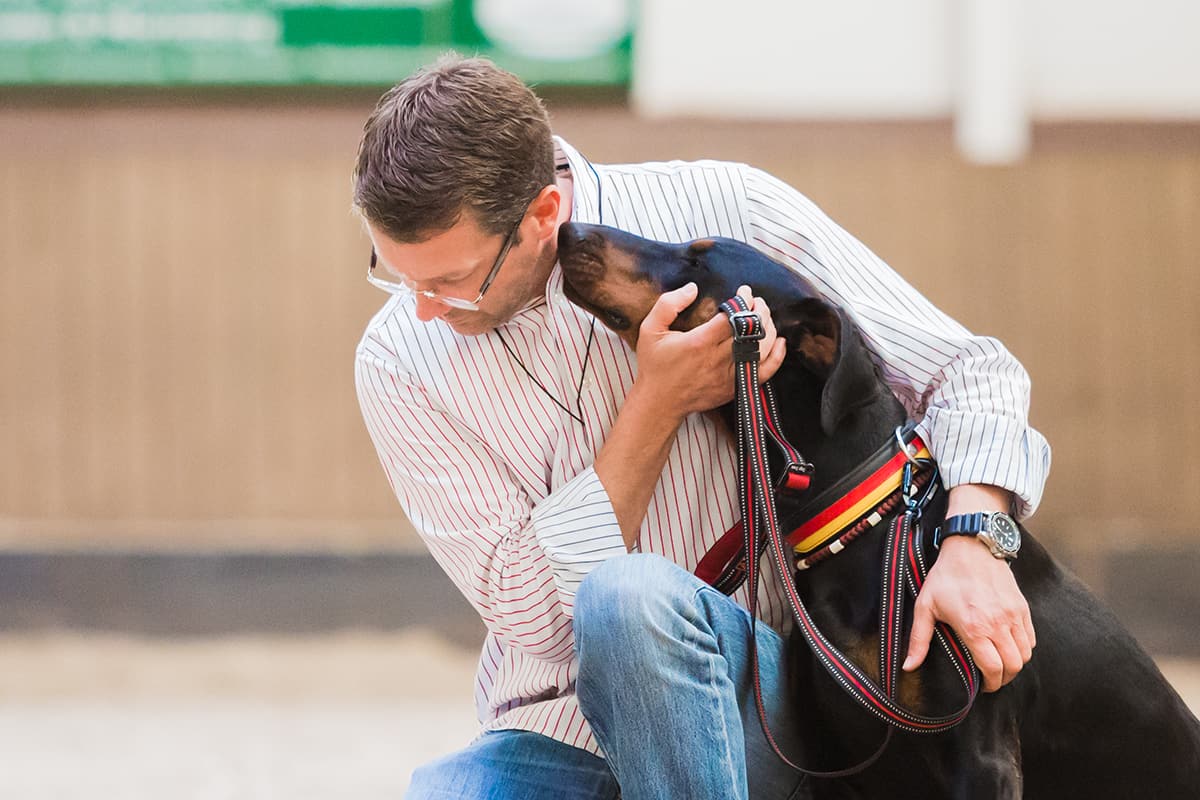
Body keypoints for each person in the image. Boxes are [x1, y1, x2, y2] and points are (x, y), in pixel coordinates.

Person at [353, 55, 1050, 800]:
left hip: (777, 702)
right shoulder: (399, 359)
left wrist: (977, 541)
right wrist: (656, 406)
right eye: (393, 272)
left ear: (544, 215)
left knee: (630, 603)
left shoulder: (723, 207)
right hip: (560, 730)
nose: (421, 308)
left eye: (450, 281)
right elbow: (534, 620)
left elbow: (968, 371)